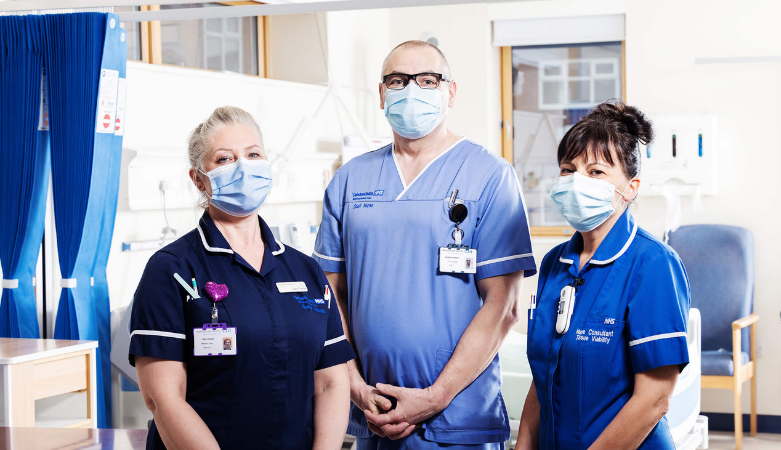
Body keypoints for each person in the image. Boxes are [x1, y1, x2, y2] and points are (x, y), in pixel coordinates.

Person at [313, 41, 537, 449]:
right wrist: (357, 388)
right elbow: (330, 300)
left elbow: (503, 307)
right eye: (398, 80)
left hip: (458, 420)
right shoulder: (349, 181)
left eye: (427, 80)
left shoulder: (489, 176)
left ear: (449, 92)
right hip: (373, 412)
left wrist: (435, 396)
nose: (411, 90)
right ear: (382, 94)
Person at [128, 106, 355, 450]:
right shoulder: (172, 269)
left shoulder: (305, 270)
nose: (243, 167)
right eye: (224, 159)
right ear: (198, 178)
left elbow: (330, 383)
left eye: (253, 154)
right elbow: (163, 398)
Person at [516, 101, 691, 450]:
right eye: (568, 170)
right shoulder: (554, 263)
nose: (576, 181)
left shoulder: (652, 264)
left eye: (595, 172)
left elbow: (654, 399)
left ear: (631, 187)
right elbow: (545, 376)